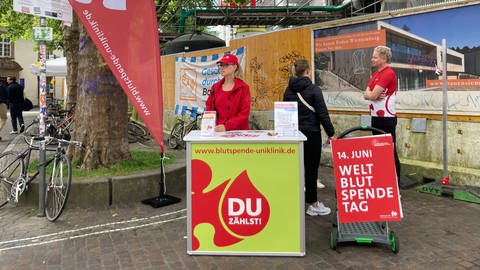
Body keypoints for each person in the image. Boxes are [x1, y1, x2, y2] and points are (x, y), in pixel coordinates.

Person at [283, 59, 335, 216]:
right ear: (308, 71)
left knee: (294, 169)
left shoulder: (288, 90)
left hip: (293, 134)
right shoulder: (314, 89)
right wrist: (331, 133)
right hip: (312, 134)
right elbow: (322, 114)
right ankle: (312, 205)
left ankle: (293, 201)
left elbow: (285, 113)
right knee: (311, 170)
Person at [363, 45, 401, 181]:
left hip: (387, 118)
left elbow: (372, 95)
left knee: (389, 151)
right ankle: (383, 180)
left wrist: (370, 94)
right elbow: (366, 93)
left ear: (384, 58)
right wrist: (370, 94)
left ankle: (395, 182)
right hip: (375, 117)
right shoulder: (376, 74)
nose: (372, 59)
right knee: (378, 151)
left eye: (375, 57)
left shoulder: (388, 73)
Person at [206, 53, 251, 132]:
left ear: (234, 67)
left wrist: (227, 126)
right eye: (221, 65)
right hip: (219, 132)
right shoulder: (215, 88)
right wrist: (209, 126)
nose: (222, 68)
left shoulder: (243, 88)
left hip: (239, 133)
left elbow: (244, 113)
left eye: (226, 65)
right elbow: (209, 108)